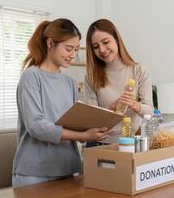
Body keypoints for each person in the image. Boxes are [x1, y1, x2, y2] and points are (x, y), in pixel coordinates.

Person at [12, 18, 112, 187]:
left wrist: (104, 117)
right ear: (50, 43)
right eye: (68, 48)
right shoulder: (31, 77)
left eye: (75, 49)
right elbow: (36, 126)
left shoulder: (70, 82)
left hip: (67, 170)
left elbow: (74, 123)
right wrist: (83, 136)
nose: (72, 55)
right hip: (35, 173)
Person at [84, 19, 153, 146]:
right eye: (95, 47)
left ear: (116, 39)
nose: (102, 50)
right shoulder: (91, 77)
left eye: (105, 42)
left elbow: (149, 112)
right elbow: (91, 121)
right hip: (99, 145)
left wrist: (134, 104)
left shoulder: (139, 70)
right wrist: (112, 107)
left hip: (131, 144)